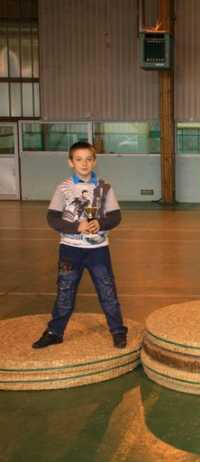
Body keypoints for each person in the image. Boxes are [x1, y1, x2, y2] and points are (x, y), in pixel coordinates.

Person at [32, 141, 128, 349]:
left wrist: (100, 223)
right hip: (70, 251)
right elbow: (52, 218)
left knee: (107, 291)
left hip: (98, 251)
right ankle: (55, 332)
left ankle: (118, 330)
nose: (84, 164)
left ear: (94, 161)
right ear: (71, 162)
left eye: (88, 159)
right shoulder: (63, 188)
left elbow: (116, 216)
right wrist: (77, 227)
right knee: (65, 291)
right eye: (79, 159)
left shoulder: (105, 187)